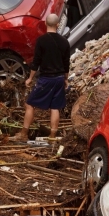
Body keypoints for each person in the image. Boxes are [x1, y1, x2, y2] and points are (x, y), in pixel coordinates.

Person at [14, 14, 71, 142]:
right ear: (58, 25)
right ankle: (52, 136)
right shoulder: (64, 42)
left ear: (45, 23)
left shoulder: (41, 41)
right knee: (55, 107)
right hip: (59, 79)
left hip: (46, 79)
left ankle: (23, 134)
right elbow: (66, 63)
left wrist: (30, 78)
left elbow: (36, 62)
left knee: (29, 104)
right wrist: (65, 79)